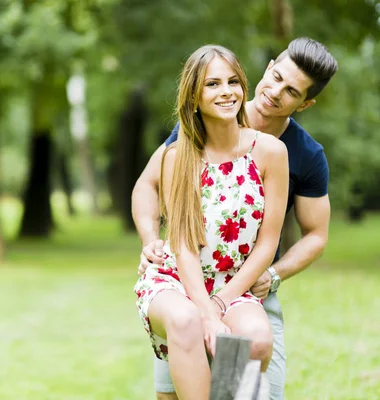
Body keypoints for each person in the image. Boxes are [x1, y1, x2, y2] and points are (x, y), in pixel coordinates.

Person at [133, 38, 338, 400]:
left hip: (246, 282)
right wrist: (150, 238)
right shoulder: (190, 137)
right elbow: (148, 188)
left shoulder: (296, 153)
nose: (275, 92)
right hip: (185, 275)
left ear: (304, 104)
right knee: (175, 381)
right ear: (268, 66)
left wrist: (270, 276)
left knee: (255, 374)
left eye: (291, 91)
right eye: (275, 77)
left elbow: (314, 235)